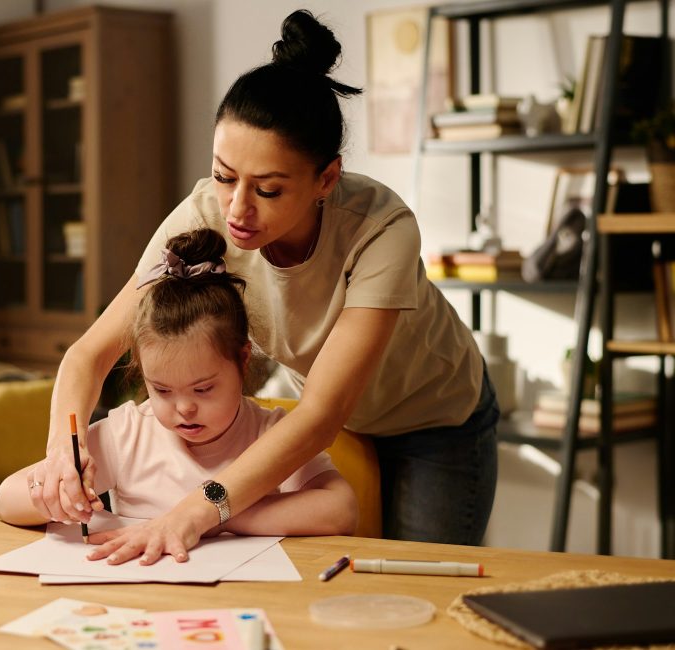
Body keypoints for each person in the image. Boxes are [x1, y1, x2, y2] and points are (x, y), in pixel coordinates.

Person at [27, 9, 499, 565]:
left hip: (434, 419)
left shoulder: (382, 230)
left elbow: (322, 411)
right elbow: (90, 353)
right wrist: (65, 448)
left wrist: (197, 510)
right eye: (225, 176)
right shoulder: (204, 215)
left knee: (421, 583)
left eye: (268, 190)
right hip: (330, 423)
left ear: (327, 178)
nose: (236, 209)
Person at [0, 228, 358, 544]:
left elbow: (340, 509)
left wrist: (213, 517)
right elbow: (6, 499)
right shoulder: (130, 434)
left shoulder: (269, 434)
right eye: (163, 390)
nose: (184, 408)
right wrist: (59, 493)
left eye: (203, 390)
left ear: (243, 360)